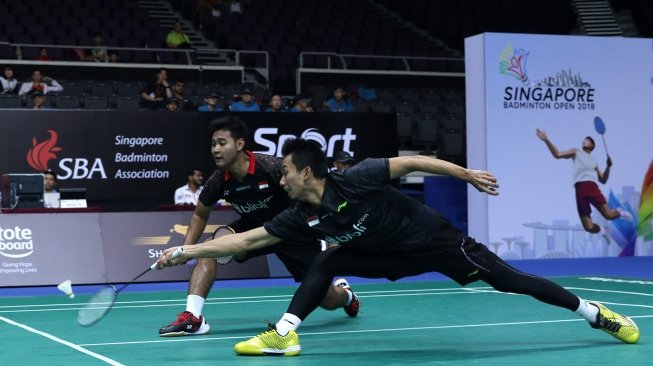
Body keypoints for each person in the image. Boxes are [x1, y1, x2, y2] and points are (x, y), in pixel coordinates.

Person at [157, 138, 640, 356]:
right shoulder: (298, 214)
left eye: (284, 169)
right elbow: (247, 239)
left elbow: (410, 160)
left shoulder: (356, 178)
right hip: (387, 253)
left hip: (434, 242)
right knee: (331, 256)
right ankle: (285, 332)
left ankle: (595, 313)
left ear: (307, 172)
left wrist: (466, 174)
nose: (278, 175)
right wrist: (185, 252)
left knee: (512, 282)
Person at [157, 117, 359, 337]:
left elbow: (314, 200)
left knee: (328, 300)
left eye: (222, 143)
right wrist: (186, 249)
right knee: (211, 248)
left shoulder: (271, 168)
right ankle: (193, 318)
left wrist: (328, 238)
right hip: (251, 230)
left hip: (292, 233)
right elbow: (200, 214)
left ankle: (347, 295)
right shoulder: (219, 180)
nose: (216, 149)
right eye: (213, 144)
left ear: (240, 144)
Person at [535, 129, 631, 238]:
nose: (584, 141)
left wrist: (608, 166)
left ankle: (621, 212)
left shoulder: (594, 162)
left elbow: (603, 180)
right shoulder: (576, 152)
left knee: (608, 215)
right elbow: (557, 154)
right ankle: (601, 229)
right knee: (588, 227)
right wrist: (546, 140)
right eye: (584, 140)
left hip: (591, 187)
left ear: (592, 146)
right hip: (579, 189)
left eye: (587, 140)